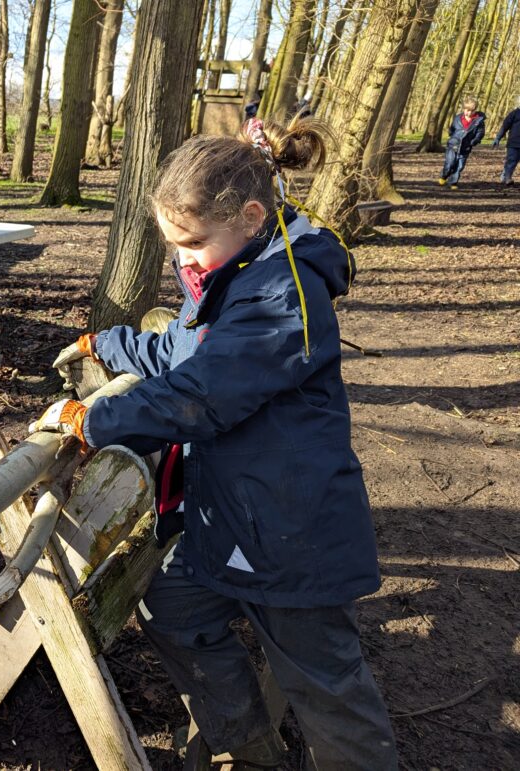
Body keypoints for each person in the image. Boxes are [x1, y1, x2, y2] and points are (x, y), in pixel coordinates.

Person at [32, 117, 398, 769]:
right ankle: (247, 746)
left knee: (331, 697)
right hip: (233, 526)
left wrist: (94, 422)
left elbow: (200, 391)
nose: (182, 262)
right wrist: (110, 345)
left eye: (192, 244)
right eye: (173, 247)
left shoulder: (281, 297)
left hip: (292, 543)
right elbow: (182, 347)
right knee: (170, 604)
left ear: (251, 215)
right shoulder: (235, 275)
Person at [440, 96, 485, 190]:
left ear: (475, 110)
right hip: (453, 145)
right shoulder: (457, 118)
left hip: (466, 147)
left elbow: (480, 133)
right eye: (466, 110)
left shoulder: (478, 121)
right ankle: (444, 176)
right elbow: (452, 129)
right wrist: (452, 137)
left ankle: (453, 182)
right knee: (450, 163)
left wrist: (474, 141)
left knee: (459, 166)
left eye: (471, 111)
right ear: (463, 109)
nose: (468, 112)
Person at [492, 99, 520, 186]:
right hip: (514, 143)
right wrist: (498, 138)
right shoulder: (515, 113)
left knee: (511, 161)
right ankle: (507, 177)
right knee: (511, 161)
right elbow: (505, 126)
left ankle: (505, 176)